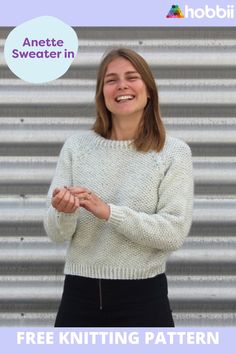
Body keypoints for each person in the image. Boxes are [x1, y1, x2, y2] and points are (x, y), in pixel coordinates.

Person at [44, 47, 194, 327]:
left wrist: (108, 212)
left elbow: (173, 232)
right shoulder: (76, 147)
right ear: (102, 94)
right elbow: (56, 233)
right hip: (80, 293)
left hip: (144, 296)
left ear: (149, 91)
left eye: (131, 77)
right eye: (111, 80)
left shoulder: (174, 152)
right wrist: (64, 212)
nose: (121, 85)